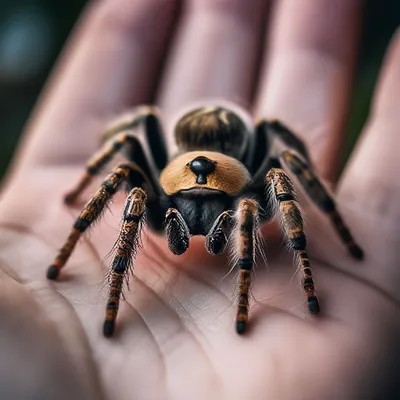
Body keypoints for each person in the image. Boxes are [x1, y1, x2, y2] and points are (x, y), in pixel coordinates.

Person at [0, 1, 399, 398]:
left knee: (281, 168)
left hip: (232, 176)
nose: (199, 216)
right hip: (185, 171)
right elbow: (126, 140)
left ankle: (285, 271)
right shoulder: (152, 190)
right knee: (125, 168)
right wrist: (84, 188)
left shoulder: (246, 199)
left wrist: (316, 244)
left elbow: (284, 164)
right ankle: (109, 290)